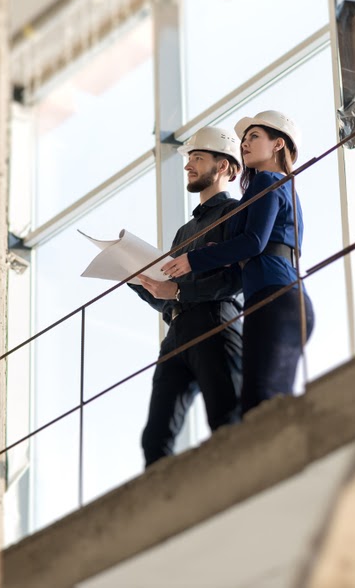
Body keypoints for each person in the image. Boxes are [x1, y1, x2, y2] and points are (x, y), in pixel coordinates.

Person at [161, 110, 314, 415]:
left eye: (254, 136)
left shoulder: (269, 180)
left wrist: (193, 259)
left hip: (275, 297)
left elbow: (253, 242)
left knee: (261, 401)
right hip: (274, 298)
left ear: (278, 145)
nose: (244, 143)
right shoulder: (274, 187)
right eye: (244, 138)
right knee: (258, 401)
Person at [131, 126, 245, 467]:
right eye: (189, 158)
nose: (188, 165)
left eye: (197, 157)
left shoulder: (233, 213)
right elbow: (170, 296)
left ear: (223, 166)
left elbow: (236, 277)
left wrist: (179, 289)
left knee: (227, 419)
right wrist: (141, 282)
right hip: (177, 332)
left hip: (214, 323)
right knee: (155, 438)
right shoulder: (185, 231)